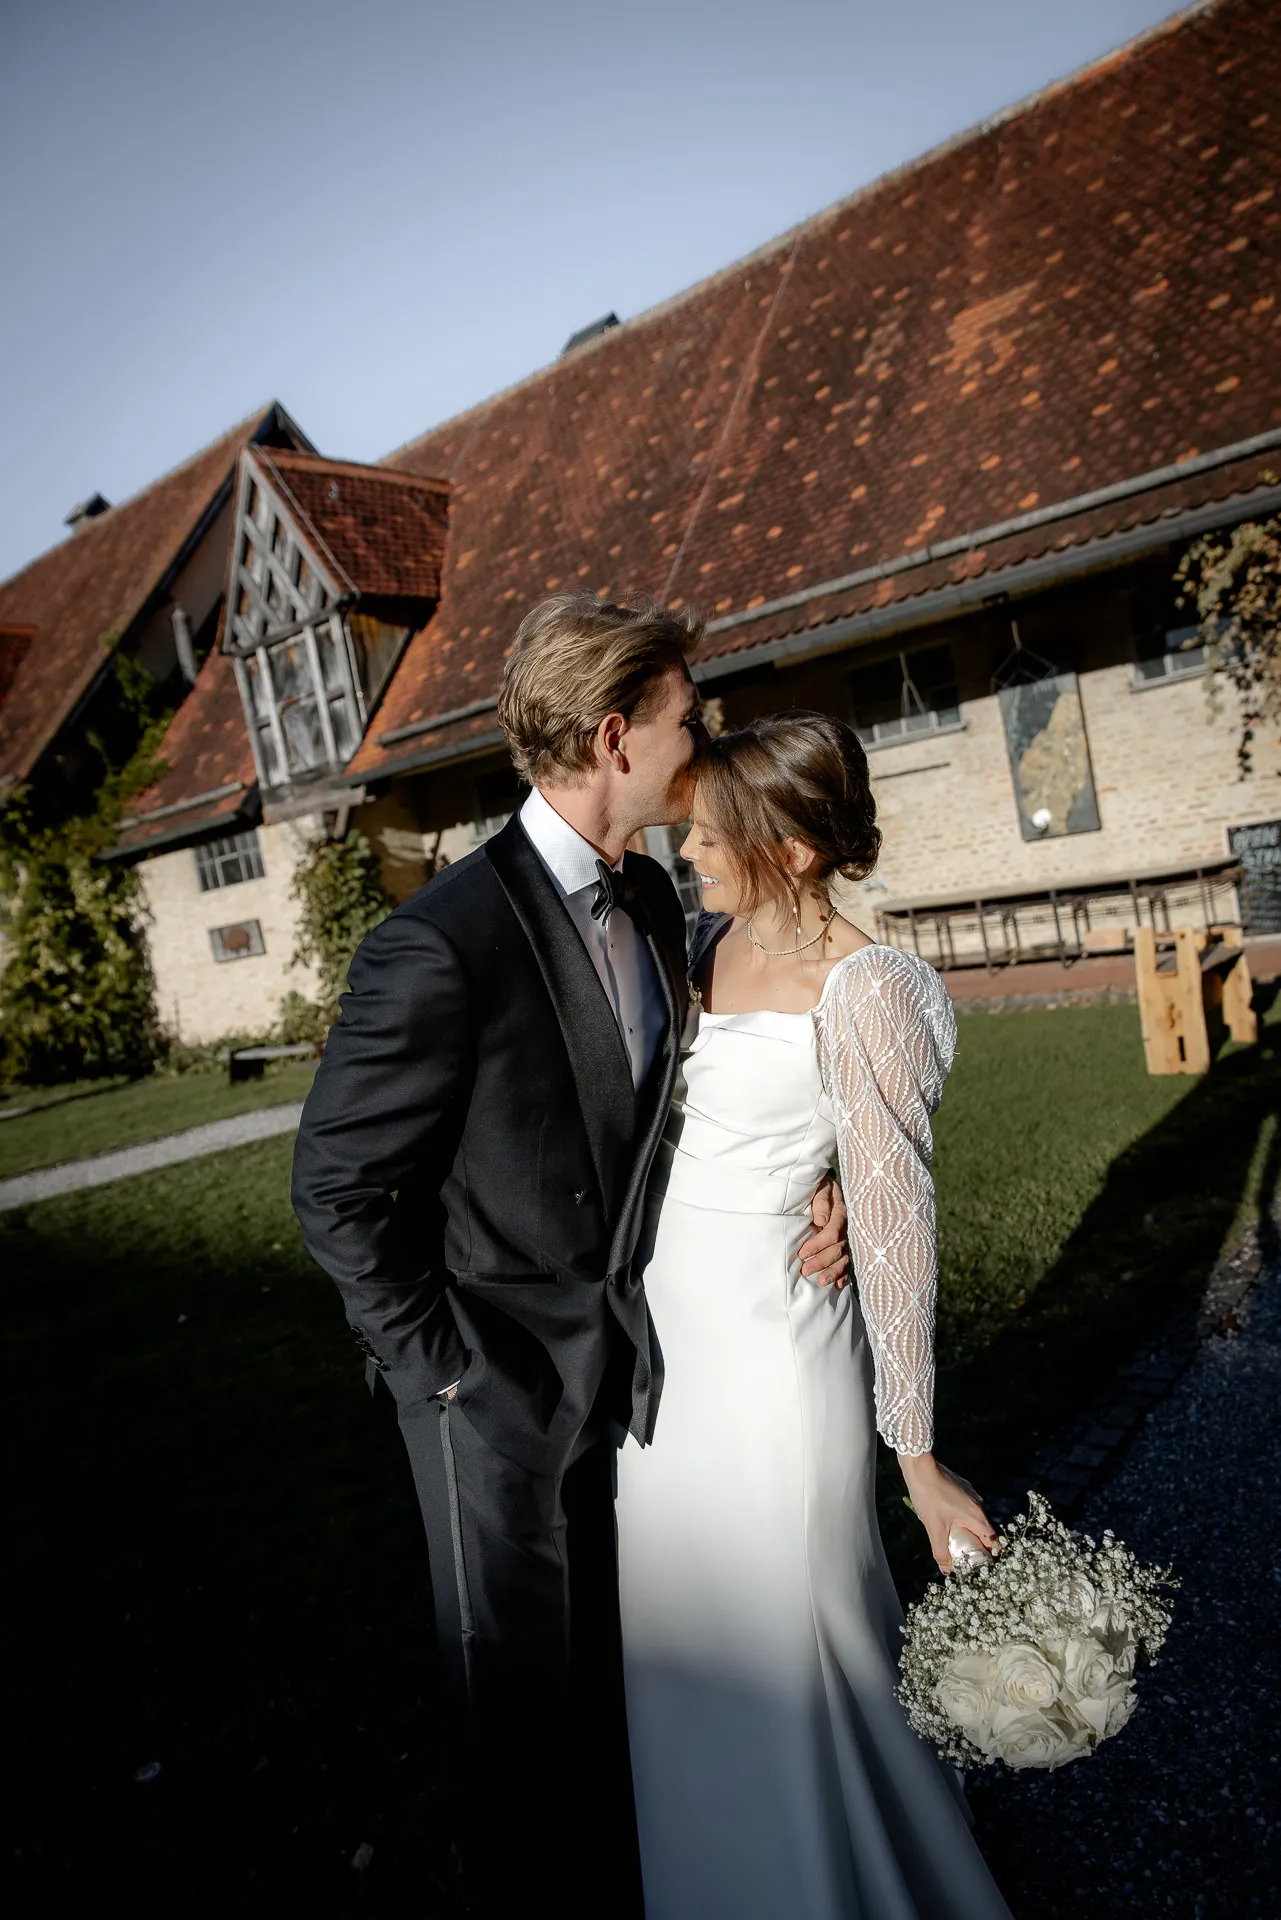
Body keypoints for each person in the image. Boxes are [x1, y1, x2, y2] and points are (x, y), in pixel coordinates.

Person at [289, 595, 849, 1917]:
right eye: (686, 717)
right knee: (522, 1735)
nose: (702, 737)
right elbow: (336, 1189)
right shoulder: (439, 944)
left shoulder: (653, 896)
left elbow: (692, 1094)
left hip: (644, 1382)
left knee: (629, 1692)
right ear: (614, 737)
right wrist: (444, 1378)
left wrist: (814, 1173)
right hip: (488, 1398)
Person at [615, 710, 1013, 1920]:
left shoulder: (868, 988)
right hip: (665, 1373)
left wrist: (920, 1464)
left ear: (790, 849)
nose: (688, 849)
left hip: (778, 1368)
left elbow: (895, 1238)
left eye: (712, 833)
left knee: (801, 1643)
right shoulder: (699, 944)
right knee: (684, 1647)